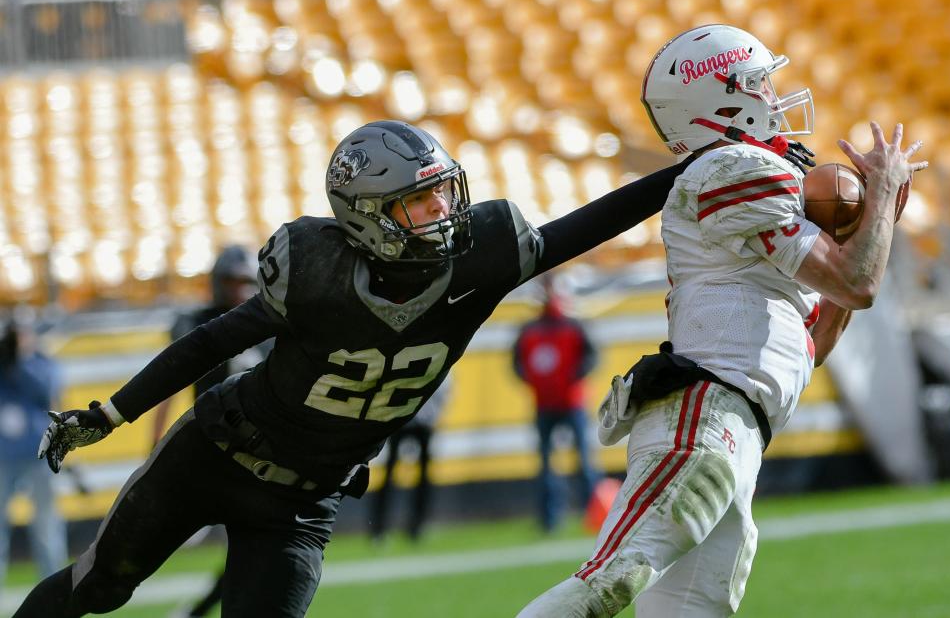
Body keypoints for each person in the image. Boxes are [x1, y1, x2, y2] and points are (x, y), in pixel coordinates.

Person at [16, 119, 697, 618]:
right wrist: (108, 414)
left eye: (443, 193)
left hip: (302, 502)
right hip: (213, 455)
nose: (443, 211)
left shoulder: (479, 263)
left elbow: (587, 224)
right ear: (369, 215)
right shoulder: (316, 270)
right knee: (100, 587)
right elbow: (211, 343)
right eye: (420, 201)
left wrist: (690, 170)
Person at [518, 24, 925, 618]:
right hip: (705, 412)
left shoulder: (749, 178)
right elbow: (857, 283)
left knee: (688, 611)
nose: (773, 96)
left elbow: (813, 345)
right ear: (723, 99)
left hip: (736, 425)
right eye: (760, 83)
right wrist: (881, 201)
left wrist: (865, 229)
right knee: (610, 582)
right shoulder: (732, 167)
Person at [151, 245, 268, 618]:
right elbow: (168, 387)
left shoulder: (267, 325)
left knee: (252, 546)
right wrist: (155, 441)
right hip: (207, 443)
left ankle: (199, 610)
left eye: (246, 282)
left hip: (255, 452)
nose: (239, 291)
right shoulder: (199, 324)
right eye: (233, 282)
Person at [512, 276, 600, 532]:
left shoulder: (573, 326)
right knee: (546, 465)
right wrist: (534, 381)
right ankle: (550, 518)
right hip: (545, 403)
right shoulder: (530, 330)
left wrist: (572, 378)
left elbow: (591, 357)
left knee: (583, 461)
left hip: (572, 402)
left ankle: (593, 514)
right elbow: (517, 362)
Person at [0, 310, 67, 602]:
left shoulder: (43, 363)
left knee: (46, 525)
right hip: (3, 456)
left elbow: (46, 392)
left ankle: (54, 588)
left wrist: (22, 360)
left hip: (39, 455)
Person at [369, 374, 452, 542]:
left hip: (420, 422)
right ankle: (380, 527)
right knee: (391, 474)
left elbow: (445, 389)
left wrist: (431, 416)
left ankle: (416, 525)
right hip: (403, 421)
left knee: (422, 476)